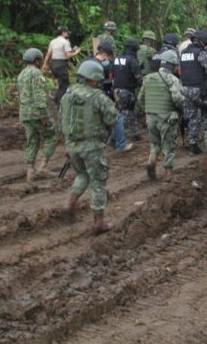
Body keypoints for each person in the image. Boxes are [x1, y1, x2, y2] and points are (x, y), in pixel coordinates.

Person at [60, 60, 118, 234]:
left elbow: (61, 119)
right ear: (93, 79)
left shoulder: (67, 95)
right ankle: (99, 222)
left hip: (71, 144)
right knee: (98, 181)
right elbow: (112, 119)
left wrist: (67, 144)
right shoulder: (98, 97)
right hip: (91, 146)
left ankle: (68, 205)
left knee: (82, 175)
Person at [137, 50, 185, 181]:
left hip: (150, 117)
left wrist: (147, 111)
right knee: (169, 146)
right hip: (167, 117)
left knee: (155, 144)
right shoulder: (172, 79)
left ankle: (151, 163)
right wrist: (181, 109)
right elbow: (178, 99)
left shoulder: (148, 78)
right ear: (173, 65)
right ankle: (168, 174)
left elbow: (140, 98)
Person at [17, 48, 58, 184]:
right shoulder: (36, 73)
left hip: (24, 113)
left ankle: (30, 171)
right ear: (36, 60)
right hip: (36, 112)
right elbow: (39, 95)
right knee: (52, 135)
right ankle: (43, 166)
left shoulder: (21, 74)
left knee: (32, 140)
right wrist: (44, 116)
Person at [180, 30, 207, 155]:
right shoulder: (200, 53)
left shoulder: (184, 53)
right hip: (198, 89)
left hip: (184, 89)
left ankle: (192, 144)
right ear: (201, 41)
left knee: (191, 117)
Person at [112, 39, 143, 142]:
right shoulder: (132, 60)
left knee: (129, 112)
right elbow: (138, 78)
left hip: (117, 90)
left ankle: (134, 134)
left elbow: (113, 74)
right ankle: (114, 138)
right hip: (127, 90)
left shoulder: (117, 59)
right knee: (124, 115)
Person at [43, 25, 81, 105]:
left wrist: (45, 64)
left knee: (61, 83)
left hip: (53, 64)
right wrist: (76, 52)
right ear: (63, 32)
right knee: (64, 84)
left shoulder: (52, 41)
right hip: (61, 64)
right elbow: (68, 55)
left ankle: (57, 97)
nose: (68, 34)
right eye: (67, 32)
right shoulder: (65, 42)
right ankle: (59, 103)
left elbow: (48, 54)